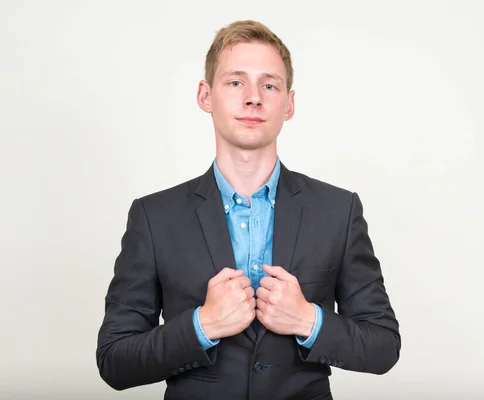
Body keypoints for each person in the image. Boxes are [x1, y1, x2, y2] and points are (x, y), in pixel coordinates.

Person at [96, 19, 400, 400]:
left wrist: (309, 319)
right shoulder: (154, 217)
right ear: (206, 96)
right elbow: (114, 361)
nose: (253, 97)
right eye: (236, 82)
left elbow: (383, 346)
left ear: (288, 104)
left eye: (269, 85)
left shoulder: (338, 210)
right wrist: (202, 324)